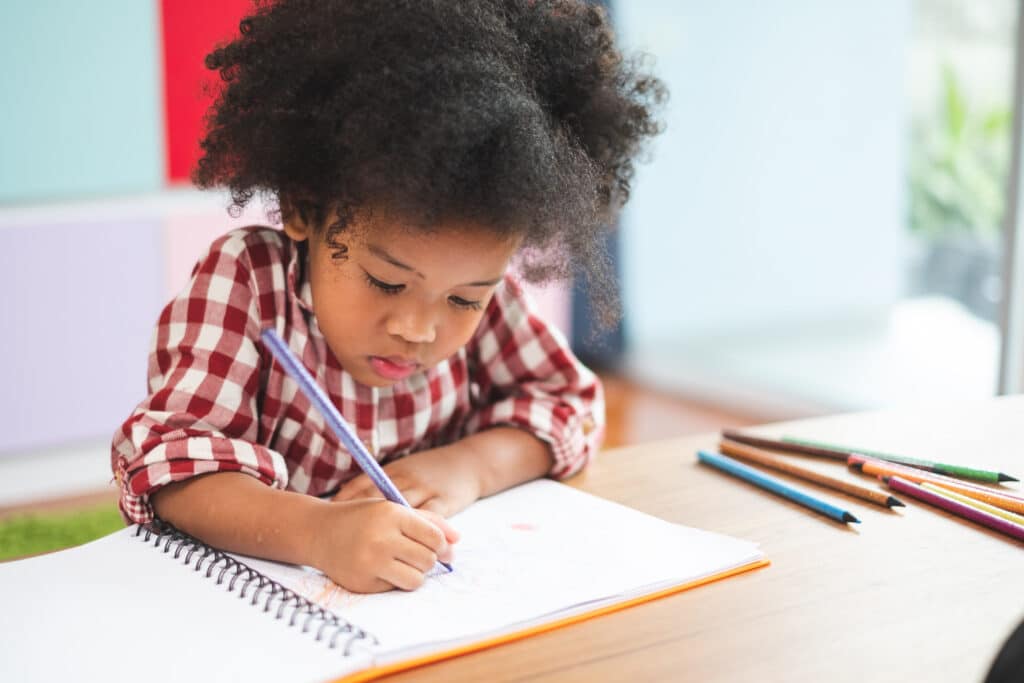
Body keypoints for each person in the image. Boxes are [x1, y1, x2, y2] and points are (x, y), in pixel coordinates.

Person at [111, 0, 664, 594]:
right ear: (303, 208)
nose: (419, 328)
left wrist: (469, 467)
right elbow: (171, 468)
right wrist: (318, 533)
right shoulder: (246, 281)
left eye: (463, 301)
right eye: (387, 282)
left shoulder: (489, 298)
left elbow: (571, 406)